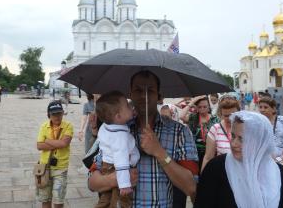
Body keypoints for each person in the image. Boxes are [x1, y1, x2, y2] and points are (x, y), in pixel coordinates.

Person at [88, 70, 198, 208]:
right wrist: (114, 180)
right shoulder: (117, 130)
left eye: (150, 90)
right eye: (138, 90)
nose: (143, 95)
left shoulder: (180, 132)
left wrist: (159, 152)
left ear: (159, 96)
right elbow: (92, 182)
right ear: (130, 95)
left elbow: (191, 187)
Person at [195, 111, 283, 208]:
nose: (234, 144)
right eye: (233, 136)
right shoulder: (216, 169)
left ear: (261, 141)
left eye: (242, 139)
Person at [94, 91, 140, 208]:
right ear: (118, 116)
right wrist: (124, 184)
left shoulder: (107, 126)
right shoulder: (120, 136)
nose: (131, 106)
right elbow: (121, 160)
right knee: (121, 201)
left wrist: (130, 114)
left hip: (106, 165)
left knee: (106, 198)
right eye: (128, 106)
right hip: (118, 170)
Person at [36, 101, 73, 208]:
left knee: (58, 201)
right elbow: (39, 146)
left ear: (63, 113)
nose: (57, 116)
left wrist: (47, 140)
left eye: (59, 113)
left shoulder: (68, 126)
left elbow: (64, 143)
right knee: (45, 200)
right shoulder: (44, 126)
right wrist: (58, 143)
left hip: (60, 168)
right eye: (54, 114)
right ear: (49, 115)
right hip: (44, 167)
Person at [201, 95, 240, 172]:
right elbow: (208, 157)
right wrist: (203, 179)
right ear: (221, 114)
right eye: (226, 116)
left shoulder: (246, 128)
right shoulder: (215, 129)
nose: (230, 118)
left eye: (233, 115)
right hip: (223, 173)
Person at [180, 95, 219, 169]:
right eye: (199, 107)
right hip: (195, 152)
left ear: (209, 106)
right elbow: (181, 116)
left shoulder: (215, 119)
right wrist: (192, 101)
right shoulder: (193, 117)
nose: (202, 109)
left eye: (205, 107)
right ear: (196, 108)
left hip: (210, 152)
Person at [259, 97, 283, 167]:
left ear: (273, 109)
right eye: (260, 107)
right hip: (263, 161)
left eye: (265, 107)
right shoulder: (257, 122)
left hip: (281, 159)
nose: (262, 110)